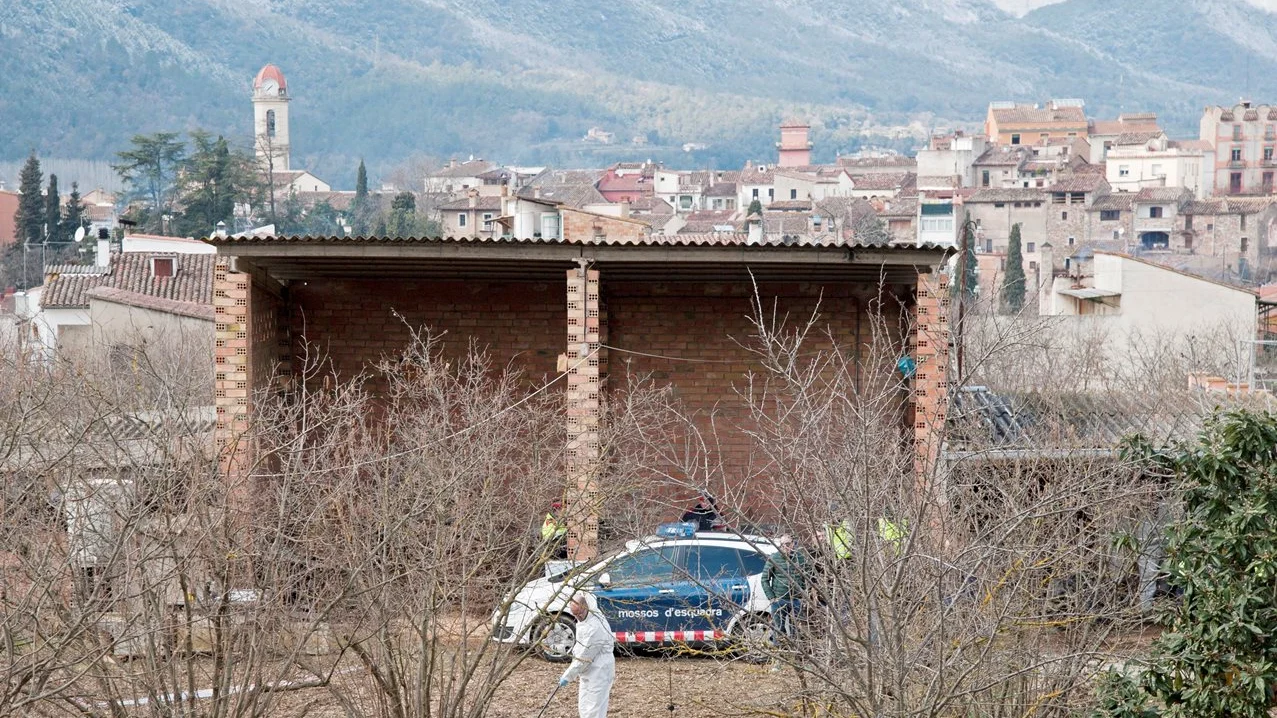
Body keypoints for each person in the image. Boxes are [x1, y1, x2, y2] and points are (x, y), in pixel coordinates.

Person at [557, 594, 615, 718]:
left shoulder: (595, 627)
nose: (577, 617)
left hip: (600, 670)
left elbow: (584, 657)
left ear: (586, 607)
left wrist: (567, 676)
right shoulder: (585, 618)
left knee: (594, 710)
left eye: (579, 613)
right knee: (584, 707)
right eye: (575, 614)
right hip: (588, 670)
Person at [762, 535, 810, 643]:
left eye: (787, 544)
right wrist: (772, 597)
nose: (784, 547)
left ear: (793, 544)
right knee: (778, 629)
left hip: (797, 600)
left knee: (797, 630)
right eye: (781, 545)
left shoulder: (800, 558)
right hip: (779, 599)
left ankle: (796, 654)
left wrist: (805, 593)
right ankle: (779, 655)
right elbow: (764, 579)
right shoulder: (774, 558)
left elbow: (809, 577)